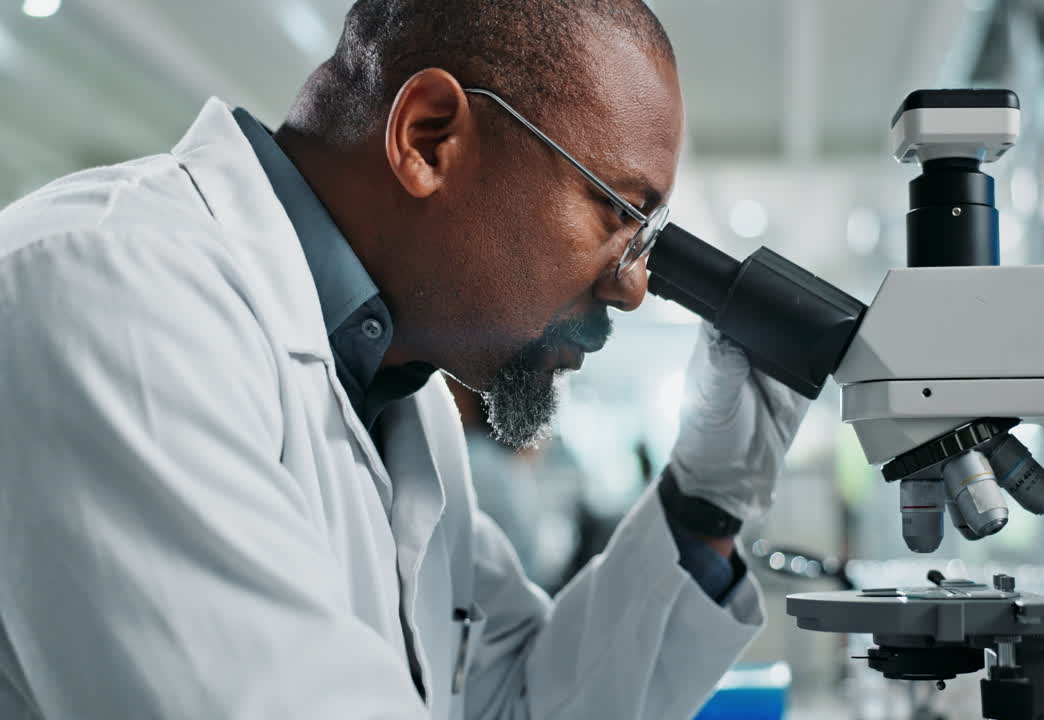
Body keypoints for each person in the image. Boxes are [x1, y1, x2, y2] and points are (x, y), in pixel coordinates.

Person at [0, 1, 809, 718]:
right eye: (620, 215)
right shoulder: (112, 290)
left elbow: (516, 703)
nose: (633, 287)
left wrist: (703, 508)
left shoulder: (399, 395)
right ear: (428, 138)